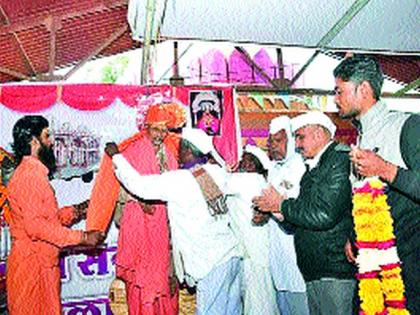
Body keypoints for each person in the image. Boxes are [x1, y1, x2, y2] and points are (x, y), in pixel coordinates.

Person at [105, 127, 243, 315]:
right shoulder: (215, 173)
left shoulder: (181, 180)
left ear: (186, 151)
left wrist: (116, 157)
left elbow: (138, 185)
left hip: (212, 264)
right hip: (232, 257)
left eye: (179, 149)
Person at [333, 55, 420, 314]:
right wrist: (353, 234)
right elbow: (361, 196)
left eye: (339, 91)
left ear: (364, 90)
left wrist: (385, 169)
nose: (335, 99)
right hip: (371, 265)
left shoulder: (408, 125)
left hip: (410, 268)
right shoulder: (362, 135)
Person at [253, 111, 356, 315]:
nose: (297, 144)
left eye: (301, 137)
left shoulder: (338, 160)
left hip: (333, 270)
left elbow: (324, 214)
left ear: (319, 134)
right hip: (314, 269)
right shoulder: (314, 167)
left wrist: (281, 205)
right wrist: (276, 209)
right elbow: (299, 217)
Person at [86, 104, 182, 315]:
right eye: (156, 129)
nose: (160, 134)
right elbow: (118, 187)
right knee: (142, 285)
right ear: (146, 127)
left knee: (166, 284)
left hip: (163, 231)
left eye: (164, 129)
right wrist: (137, 199)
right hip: (140, 230)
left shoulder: (170, 153)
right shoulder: (132, 151)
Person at [6, 115, 103, 315]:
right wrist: (83, 238)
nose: (51, 142)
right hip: (32, 268)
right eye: (47, 136)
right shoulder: (29, 177)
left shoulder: (34, 174)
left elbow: (46, 219)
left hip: (42, 264)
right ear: (34, 141)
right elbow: (37, 228)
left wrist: (78, 210)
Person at [226, 144, 279, 315]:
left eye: (245, 160)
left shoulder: (250, 180)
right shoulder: (257, 181)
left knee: (258, 304)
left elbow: (218, 182)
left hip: (253, 253)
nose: (240, 163)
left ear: (252, 165)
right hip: (251, 251)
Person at [266, 116, 309, 315]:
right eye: (270, 141)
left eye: (278, 140)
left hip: (295, 254)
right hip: (278, 256)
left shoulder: (302, 167)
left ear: (291, 141)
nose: (273, 146)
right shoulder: (274, 169)